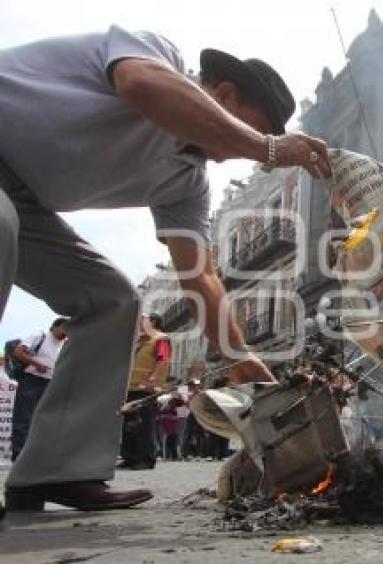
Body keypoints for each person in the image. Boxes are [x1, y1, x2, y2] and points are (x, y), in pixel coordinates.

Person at [0, 27, 331, 513]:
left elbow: (202, 277)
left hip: (24, 200)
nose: (230, 152)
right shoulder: (156, 56)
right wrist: (269, 148)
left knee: (113, 301)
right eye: (247, 130)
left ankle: (55, 472)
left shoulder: (186, 182)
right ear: (223, 94)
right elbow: (140, 86)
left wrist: (241, 359)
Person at [10, 318, 68, 461]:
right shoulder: (40, 336)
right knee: (23, 418)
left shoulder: (64, 344)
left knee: (42, 420)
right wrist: (37, 364)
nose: (67, 332)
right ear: (55, 326)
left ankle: (36, 455)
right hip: (32, 380)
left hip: (50, 383)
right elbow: (18, 352)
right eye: (65, 328)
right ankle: (18, 455)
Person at [119, 314, 170, 470]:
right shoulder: (140, 340)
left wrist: (153, 379)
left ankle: (146, 459)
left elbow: (164, 359)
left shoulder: (161, 338)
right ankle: (130, 457)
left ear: (152, 322)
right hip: (130, 387)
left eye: (142, 319)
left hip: (146, 388)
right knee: (128, 424)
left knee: (144, 425)